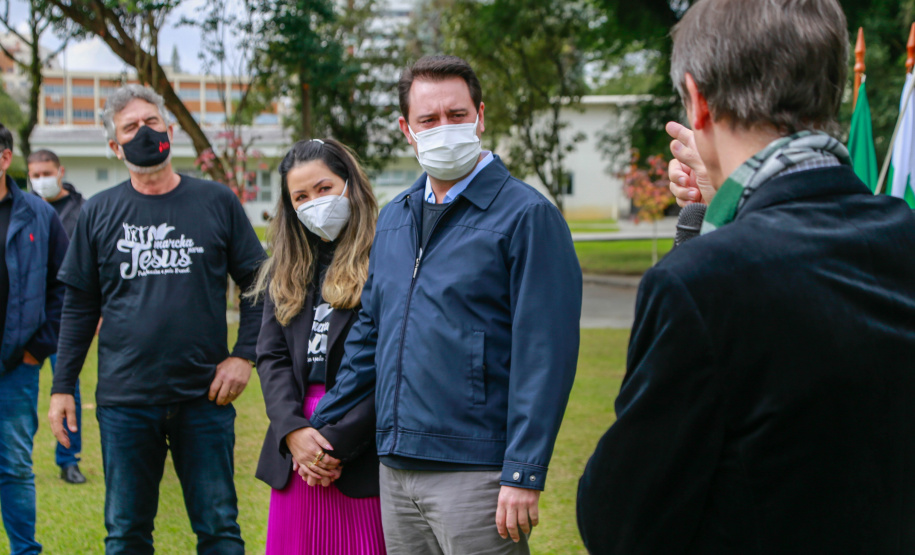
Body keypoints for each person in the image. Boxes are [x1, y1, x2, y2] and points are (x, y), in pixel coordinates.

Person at [577, 1, 915, 553]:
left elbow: (617, 523)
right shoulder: (901, 236)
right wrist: (722, 216)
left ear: (700, 102)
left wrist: (706, 242)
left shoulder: (697, 284)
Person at [308, 55, 582, 555]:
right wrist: (323, 425)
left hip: (476, 472)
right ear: (406, 130)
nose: (444, 128)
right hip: (395, 469)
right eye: (428, 120)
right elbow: (371, 334)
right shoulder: (393, 219)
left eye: (457, 115)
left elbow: (546, 354)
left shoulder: (528, 217)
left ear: (480, 116)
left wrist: (523, 471)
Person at [47, 84, 266, 554]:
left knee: (220, 531)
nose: (144, 132)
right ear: (114, 145)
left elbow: (258, 283)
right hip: (126, 401)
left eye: (151, 122)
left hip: (203, 398)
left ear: (169, 128)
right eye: (130, 127)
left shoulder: (216, 201)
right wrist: (63, 385)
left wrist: (244, 355)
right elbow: (80, 306)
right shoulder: (98, 212)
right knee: (126, 534)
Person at [252, 138, 385, 554]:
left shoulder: (385, 256)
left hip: (359, 444)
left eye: (324, 188)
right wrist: (292, 431)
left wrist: (334, 445)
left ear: (350, 185)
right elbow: (270, 356)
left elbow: (389, 364)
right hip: (295, 448)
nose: (314, 202)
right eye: (301, 196)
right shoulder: (287, 266)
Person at [0, 124, 67, 555]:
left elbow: (66, 288)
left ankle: (25, 550)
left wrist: (34, 350)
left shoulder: (39, 215)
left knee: (14, 468)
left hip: (14, 369)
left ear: (5, 158)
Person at [27, 149, 87, 485]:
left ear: (60, 171)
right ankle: (18, 457)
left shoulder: (82, 210)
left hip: (69, 315)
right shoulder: (25, 210)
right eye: (34, 175)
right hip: (28, 316)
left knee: (67, 386)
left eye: (46, 173)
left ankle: (68, 458)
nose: (41, 181)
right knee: (21, 387)